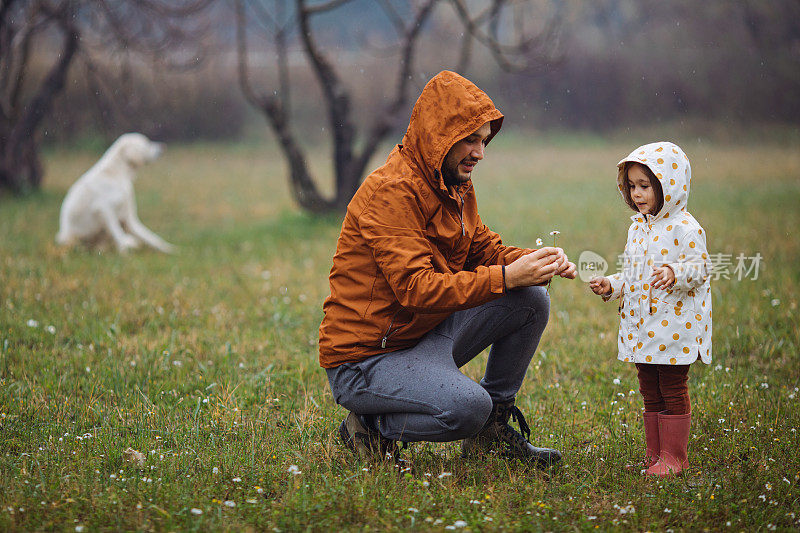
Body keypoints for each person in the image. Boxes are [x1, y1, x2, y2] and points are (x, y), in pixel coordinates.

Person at [318, 70, 576, 468]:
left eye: (485, 140)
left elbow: (479, 248)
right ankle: (368, 426)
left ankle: (490, 434)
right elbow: (417, 289)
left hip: (420, 335)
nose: (480, 153)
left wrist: (532, 263)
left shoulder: (451, 183)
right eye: (471, 139)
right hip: (367, 358)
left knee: (531, 298)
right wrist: (507, 277)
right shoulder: (391, 192)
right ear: (440, 136)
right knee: (468, 408)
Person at [589, 141, 712, 477]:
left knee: (672, 386)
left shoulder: (686, 227)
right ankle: (655, 455)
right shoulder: (638, 228)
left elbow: (701, 268)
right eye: (631, 186)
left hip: (674, 327)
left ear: (668, 186)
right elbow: (633, 273)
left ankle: (675, 457)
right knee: (648, 387)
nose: (637, 194)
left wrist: (675, 272)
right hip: (643, 328)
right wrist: (613, 285)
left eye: (645, 186)